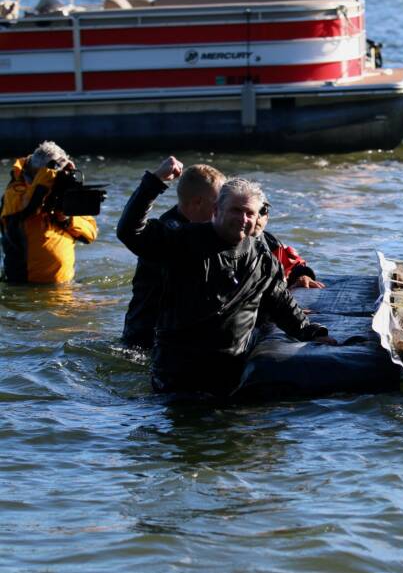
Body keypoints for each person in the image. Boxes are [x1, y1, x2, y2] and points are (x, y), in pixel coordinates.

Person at [117, 174, 334, 396]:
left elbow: (279, 301)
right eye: (236, 210)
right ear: (216, 211)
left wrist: (311, 332)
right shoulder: (182, 241)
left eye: (250, 213)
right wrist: (154, 183)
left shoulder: (262, 255)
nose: (243, 219)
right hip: (178, 375)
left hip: (230, 370)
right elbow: (130, 232)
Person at [122, 157, 225, 348]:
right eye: (218, 205)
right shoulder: (167, 235)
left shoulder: (208, 231)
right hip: (146, 341)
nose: (222, 211)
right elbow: (129, 230)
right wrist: (155, 181)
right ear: (197, 203)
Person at [0, 141, 98, 283]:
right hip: (24, 287)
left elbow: (91, 233)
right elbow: (26, 208)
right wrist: (49, 175)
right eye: (48, 174)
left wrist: (65, 218)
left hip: (65, 287)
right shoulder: (14, 193)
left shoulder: (64, 194)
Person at [251, 201, 325, 289]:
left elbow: (293, 267)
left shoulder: (272, 244)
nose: (257, 216)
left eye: (263, 210)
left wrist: (302, 277)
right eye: (250, 211)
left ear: (267, 217)